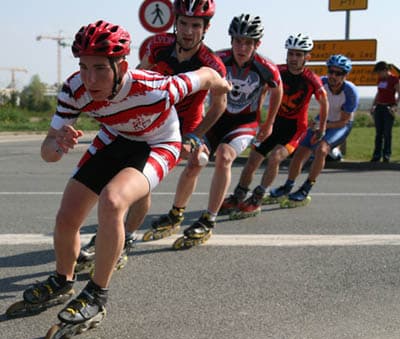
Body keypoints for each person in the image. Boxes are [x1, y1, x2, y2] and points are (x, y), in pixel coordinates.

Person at [7, 20, 230, 335]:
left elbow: (206, 76)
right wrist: (57, 145)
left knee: (113, 200)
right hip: (115, 138)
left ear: (122, 66)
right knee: (67, 214)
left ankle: (97, 293)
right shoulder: (74, 90)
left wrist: (224, 86)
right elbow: (47, 151)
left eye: (99, 68)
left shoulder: (156, 86)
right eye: (83, 67)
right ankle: (62, 279)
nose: (90, 79)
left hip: (159, 143)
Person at [76, 0, 227, 268]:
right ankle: (114, 235)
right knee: (126, 181)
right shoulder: (157, 45)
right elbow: (137, 78)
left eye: (195, 25)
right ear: (175, 22)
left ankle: (125, 237)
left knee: (140, 186)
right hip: (147, 119)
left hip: (178, 130)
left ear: (206, 28)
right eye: (183, 23)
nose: (188, 31)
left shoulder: (210, 62)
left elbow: (219, 105)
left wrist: (196, 135)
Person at [171, 13, 283, 249]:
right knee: (195, 162)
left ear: (257, 44)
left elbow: (277, 88)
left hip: (244, 123)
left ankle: (209, 219)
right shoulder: (217, 59)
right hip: (216, 119)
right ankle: (176, 213)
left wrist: (269, 122)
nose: (242, 47)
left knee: (224, 156)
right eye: (238, 41)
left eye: (248, 42)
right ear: (231, 40)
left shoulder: (265, 67)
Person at [225, 33, 328, 220]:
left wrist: (321, 128)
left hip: (295, 129)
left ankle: (258, 196)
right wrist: (260, 118)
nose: (293, 59)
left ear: (307, 57)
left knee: (275, 158)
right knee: (253, 159)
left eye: (298, 55)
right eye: (291, 54)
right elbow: (263, 90)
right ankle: (239, 194)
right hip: (275, 124)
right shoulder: (278, 70)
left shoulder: (311, 79)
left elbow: (324, 102)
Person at [272, 54, 359, 208]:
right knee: (300, 152)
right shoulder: (321, 82)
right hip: (321, 121)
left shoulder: (350, 91)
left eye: (338, 73)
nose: (333, 76)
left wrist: (322, 126)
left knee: (322, 149)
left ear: (345, 75)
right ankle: (288, 185)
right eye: (331, 71)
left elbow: (344, 120)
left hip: (340, 125)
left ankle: (306, 187)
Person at [369, 61, 399, 162]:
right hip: (379, 107)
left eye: (379, 72)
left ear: (385, 70)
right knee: (378, 133)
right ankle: (376, 155)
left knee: (387, 133)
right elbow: (379, 93)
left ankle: (386, 155)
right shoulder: (380, 79)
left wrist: (395, 106)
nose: (378, 74)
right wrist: (373, 105)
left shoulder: (394, 79)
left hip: (388, 108)